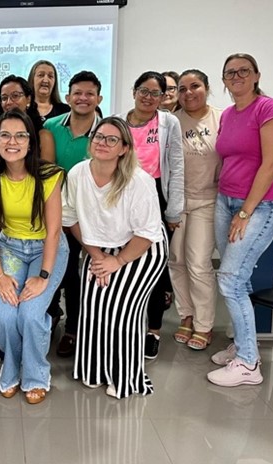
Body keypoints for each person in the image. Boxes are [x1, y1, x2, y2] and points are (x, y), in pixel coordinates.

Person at [63, 116, 167, 399]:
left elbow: (146, 234)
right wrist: (97, 257)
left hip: (141, 250)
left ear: (124, 148)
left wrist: (117, 261)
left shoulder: (139, 181)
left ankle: (125, 377)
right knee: (92, 306)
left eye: (112, 140)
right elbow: (71, 219)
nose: (103, 143)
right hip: (98, 248)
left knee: (121, 312)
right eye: (98, 137)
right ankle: (95, 370)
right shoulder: (77, 173)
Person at [208, 53, 273, 387]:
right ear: (224, 80)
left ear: (256, 75)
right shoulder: (228, 114)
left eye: (243, 71)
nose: (236, 76)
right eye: (230, 73)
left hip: (259, 205)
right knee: (238, 278)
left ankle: (248, 364)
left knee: (230, 279)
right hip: (225, 200)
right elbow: (229, 157)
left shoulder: (270, 108)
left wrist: (245, 212)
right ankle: (244, 344)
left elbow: (272, 164)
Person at [0, 109, 68, 405]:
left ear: (31, 142)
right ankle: (12, 366)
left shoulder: (49, 175)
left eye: (20, 135)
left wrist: (43, 276)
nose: (12, 141)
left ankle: (36, 375)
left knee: (30, 314)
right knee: (5, 316)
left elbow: (53, 231)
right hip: (10, 249)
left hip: (46, 249)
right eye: (5, 135)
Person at [118, 71, 184, 359]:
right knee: (123, 263)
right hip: (121, 196)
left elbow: (176, 166)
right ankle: (125, 325)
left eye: (155, 93)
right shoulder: (118, 121)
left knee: (155, 267)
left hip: (155, 196)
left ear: (162, 97)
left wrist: (174, 210)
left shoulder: (169, 122)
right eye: (143, 91)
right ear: (134, 91)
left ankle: (153, 331)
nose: (148, 97)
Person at [43, 70, 103, 358]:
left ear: (99, 98)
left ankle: (74, 328)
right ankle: (53, 313)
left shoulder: (106, 133)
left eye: (90, 93)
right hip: (54, 214)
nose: (83, 98)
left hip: (91, 217)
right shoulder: (50, 127)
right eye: (77, 93)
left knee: (79, 276)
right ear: (67, 97)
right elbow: (44, 171)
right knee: (54, 269)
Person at [169, 69, 221, 350]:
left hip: (208, 200)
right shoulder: (171, 121)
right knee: (176, 261)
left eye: (195, 86)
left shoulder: (222, 118)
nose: (188, 93)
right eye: (182, 88)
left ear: (207, 88)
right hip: (177, 201)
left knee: (199, 264)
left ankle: (204, 324)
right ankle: (186, 315)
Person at [0, 75, 56, 165]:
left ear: (28, 99)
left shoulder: (43, 136)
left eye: (15, 96)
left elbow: (48, 172)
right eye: (4, 98)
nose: (9, 102)